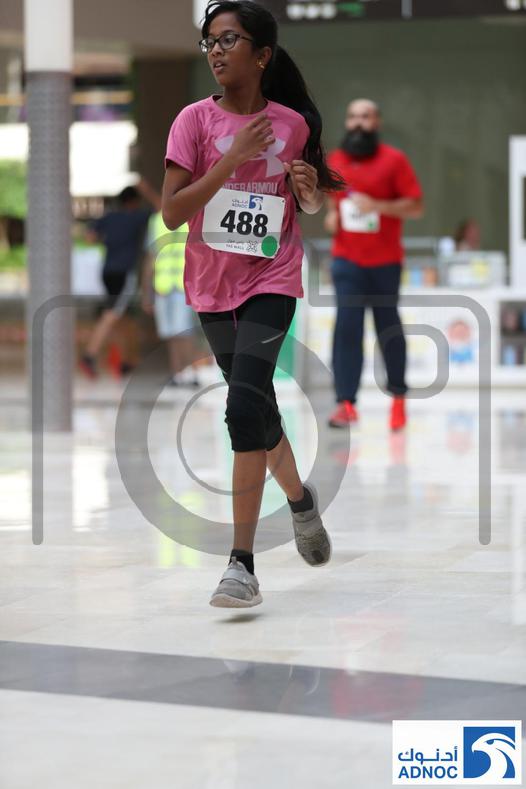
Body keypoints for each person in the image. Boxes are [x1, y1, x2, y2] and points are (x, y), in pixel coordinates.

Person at [162, 0, 342, 608]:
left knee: (241, 406)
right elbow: (173, 211)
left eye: (229, 40)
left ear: (262, 55)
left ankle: (241, 566)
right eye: (209, 41)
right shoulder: (192, 121)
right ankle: (300, 501)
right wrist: (232, 159)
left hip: (272, 276)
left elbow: (306, 203)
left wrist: (309, 194)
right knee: (258, 408)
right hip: (211, 284)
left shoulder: (293, 125)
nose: (215, 51)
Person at [325, 99, 424, 431]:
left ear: (377, 122)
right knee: (347, 328)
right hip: (346, 261)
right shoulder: (336, 161)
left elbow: (416, 207)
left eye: (365, 117)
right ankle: (345, 404)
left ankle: (398, 398)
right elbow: (332, 203)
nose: (358, 122)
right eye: (353, 116)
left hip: (385, 262)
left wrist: (378, 206)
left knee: (388, 328)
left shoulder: (394, 160)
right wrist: (331, 216)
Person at [80, 179, 161, 379]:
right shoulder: (136, 217)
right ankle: (89, 355)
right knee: (112, 315)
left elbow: (89, 236)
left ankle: (127, 361)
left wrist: (106, 239)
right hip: (124, 273)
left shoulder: (110, 217)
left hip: (107, 271)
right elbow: (162, 208)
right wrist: (147, 189)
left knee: (124, 318)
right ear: (134, 202)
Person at [141, 212, 201, 387]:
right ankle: (178, 374)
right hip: (163, 287)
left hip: (185, 285)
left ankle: (191, 373)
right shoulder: (156, 220)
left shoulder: (193, 214)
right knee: (171, 333)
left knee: (184, 331)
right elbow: (151, 257)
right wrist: (147, 292)